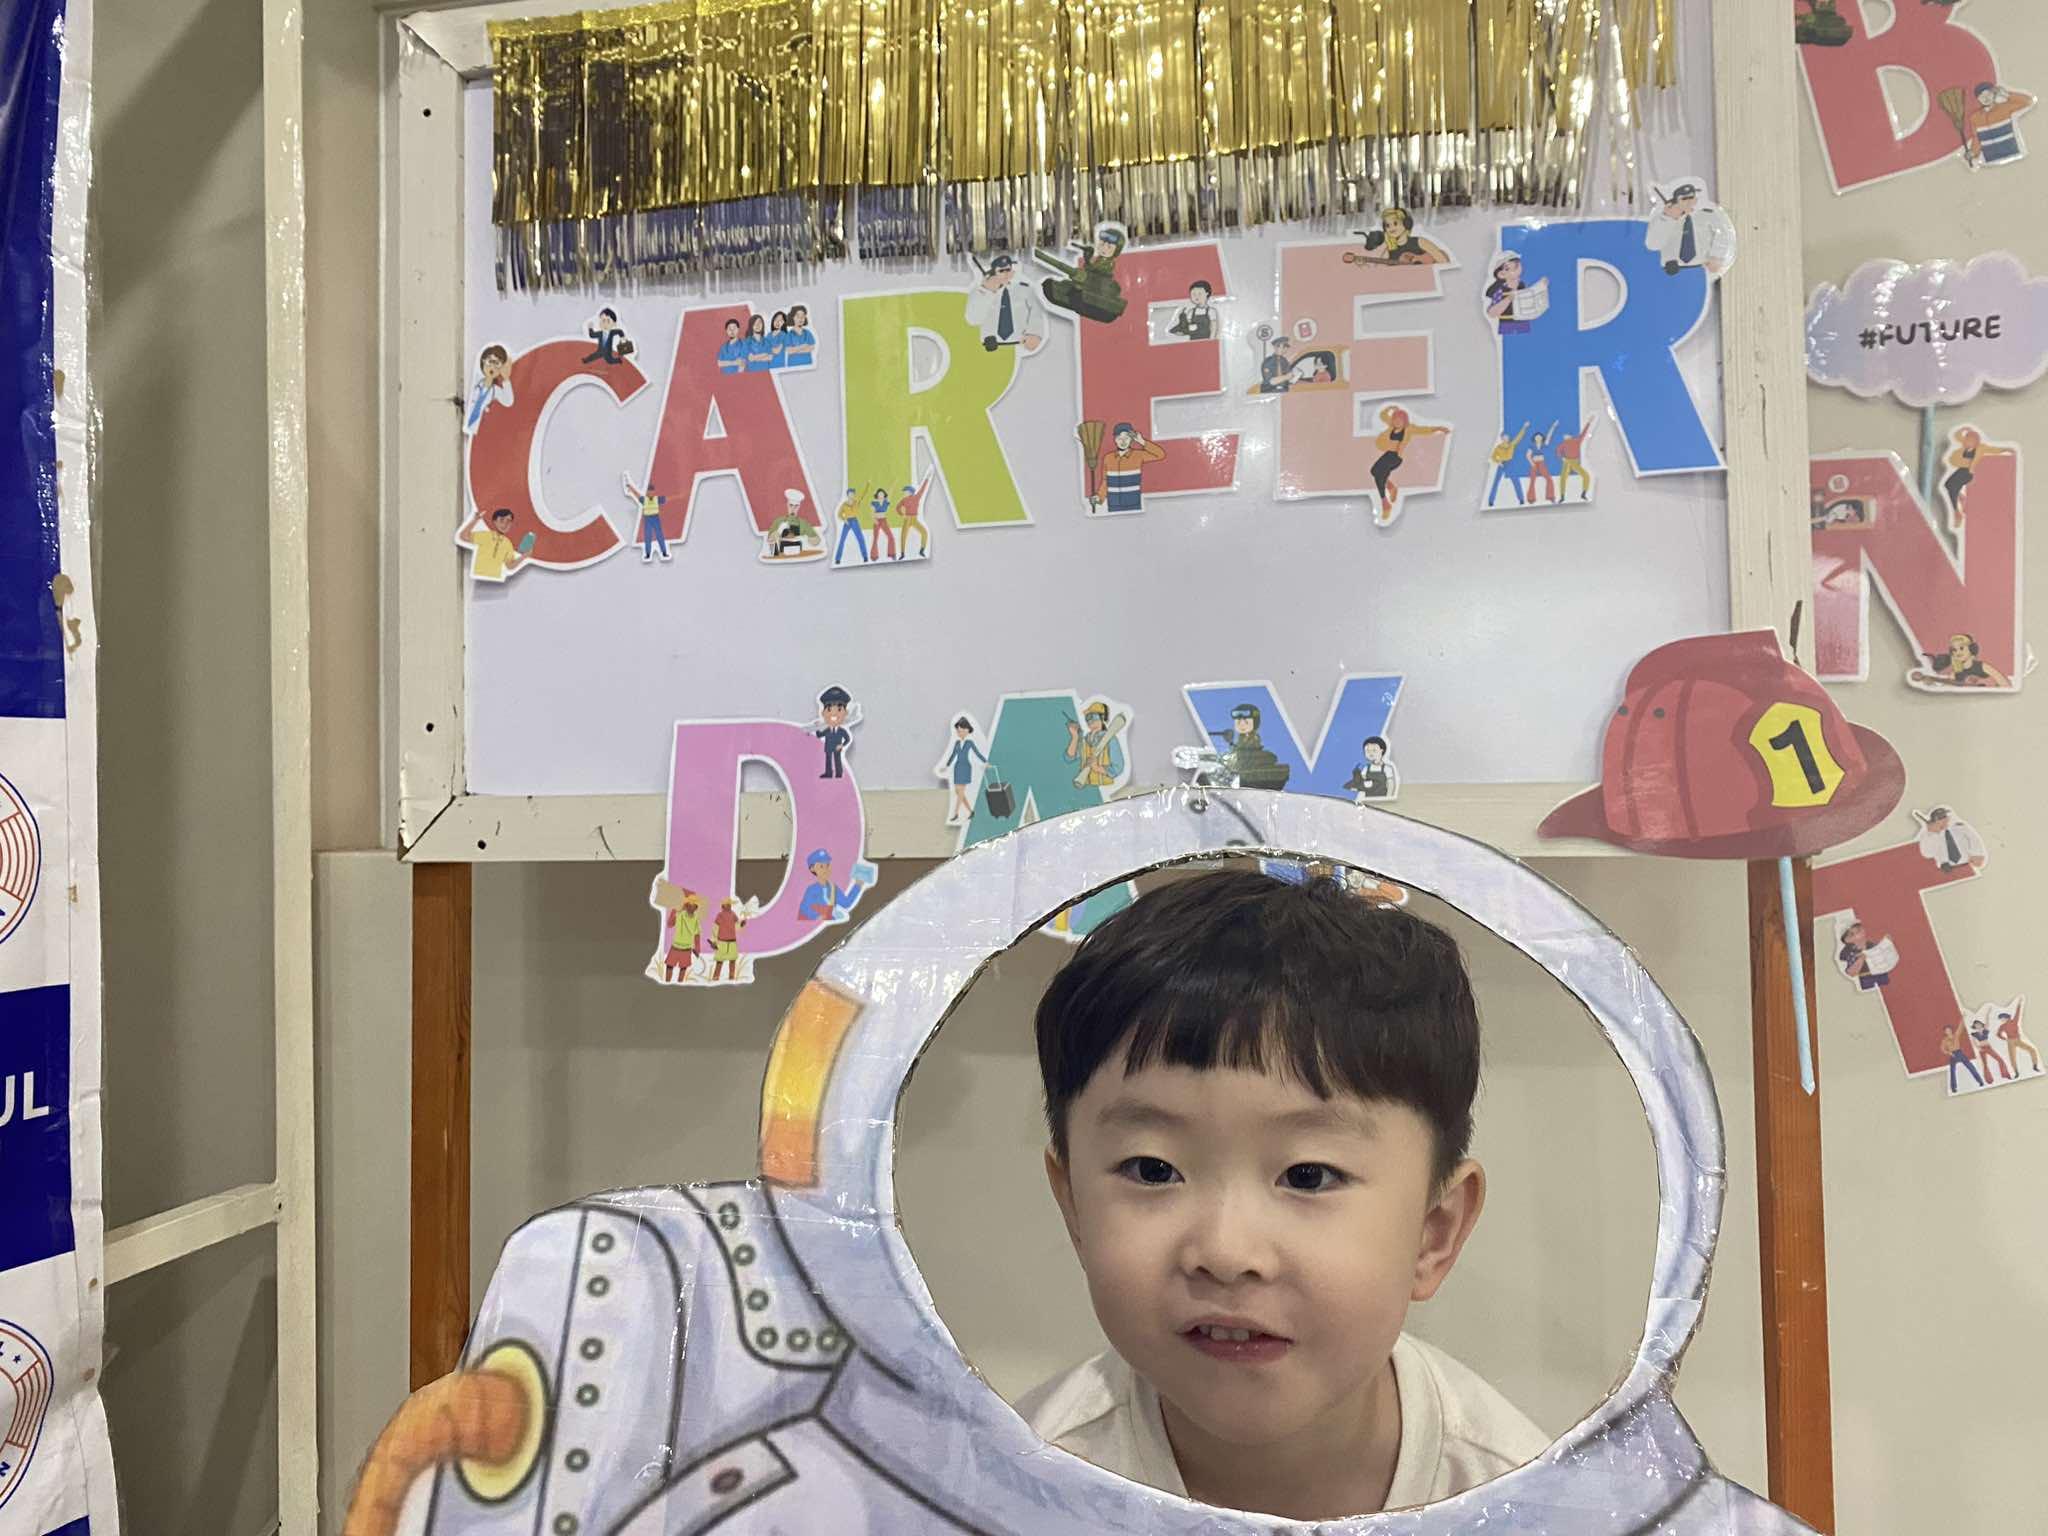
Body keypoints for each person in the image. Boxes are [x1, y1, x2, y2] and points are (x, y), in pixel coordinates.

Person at [1019, 868, 1547, 1520]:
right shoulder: (1005, 1491)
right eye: (1153, 1170)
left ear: (1432, 1233)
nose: (1225, 1253)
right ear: (1074, 1208)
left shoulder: (1532, 1505)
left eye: (1308, 1176)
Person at [1036, 222, 1128, 324]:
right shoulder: (1100, 259)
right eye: (1102, 244)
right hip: (1090, 284)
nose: (1104, 247)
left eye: (1109, 246)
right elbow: (1091, 270)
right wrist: (1087, 259)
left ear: (1116, 250)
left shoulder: (1108, 263)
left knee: (1078, 292)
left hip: (1099, 287)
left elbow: (1099, 272)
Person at [1369, 407, 1447, 525]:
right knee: (1374, 471)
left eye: (1400, 420)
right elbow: (1382, 415)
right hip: (1387, 455)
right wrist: (1391, 408)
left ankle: (1385, 503)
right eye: (1395, 419)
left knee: (1380, 475)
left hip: (1395, 458)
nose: (1397, 422)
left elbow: (1424, 430)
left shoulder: (1409, 429)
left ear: (1404, 420)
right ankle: (1391, 487)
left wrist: (1439, 428)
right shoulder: (1391, 426)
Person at [1643, 182, 1735, 278]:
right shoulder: (1664, 219)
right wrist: (1668, 219)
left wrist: (1716, 256)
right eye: (1684, 199)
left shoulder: (1707, 215)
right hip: (1672, 270)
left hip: (1702, 268)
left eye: (1691, 197)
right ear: (1676, 201)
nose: (1688, 201)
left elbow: (1722, 235)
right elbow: (1653, 245)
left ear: (1695, 199)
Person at [965, 256, 1046, 353]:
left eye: (1008, 270)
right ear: (993, 273)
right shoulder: (980, 292)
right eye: (1001, 271)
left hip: (1020, 343)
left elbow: (1036, 313)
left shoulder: (1025, 289)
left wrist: (1034, 333)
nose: (1005, 274)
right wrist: (987, 291)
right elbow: (973, 320)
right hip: (991, 345)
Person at [1939, 427, 2011, 525]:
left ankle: (1957, 513)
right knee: (1947, 485)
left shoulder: (1981, 448)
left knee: (1952, 487)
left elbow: (1993, 450)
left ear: (1975, 442)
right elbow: (1956, 436)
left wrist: (2005, 449)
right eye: (1966, 440)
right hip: (1961, 470)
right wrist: (1964, 428)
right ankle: (1960, 496)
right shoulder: (1964, 445)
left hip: (1968, 473)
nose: (1967, 442)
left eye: (1970, 441)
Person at [1099, 423, 1166, 515]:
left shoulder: (1138, 455)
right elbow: (1105, 481)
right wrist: (1099, 498)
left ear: (1131, 439)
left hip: (1133, 503)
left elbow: (1160, 454)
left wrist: (1142, 441)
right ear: (1115, 439)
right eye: (1119, 438)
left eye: (1126, 438)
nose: (1123, 441)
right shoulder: (1108, 458)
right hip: (1113, 504)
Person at [1963, 81, 2033, 166]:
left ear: (1994, 94)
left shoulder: (2004, 108)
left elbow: (2027, 101)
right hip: (1990, 159)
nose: (1986, 98)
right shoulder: (1975, 117)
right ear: (1977, 99)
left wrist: (2007, 94)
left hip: (2012, 154)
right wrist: (1973, 153)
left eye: (1988, 94)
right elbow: (1977, 139)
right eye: (1981, 96)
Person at [797, 849, 875, 923]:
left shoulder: (833, 887)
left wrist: (858, 885)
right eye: (821, 866)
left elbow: (846, 903)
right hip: (819, 922)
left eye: (828, 865)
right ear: (812, 869)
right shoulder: (812, 889)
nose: (825, 869)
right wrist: (817, 917)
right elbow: (805, 909)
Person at [1910, 632, 2010, 690]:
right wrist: (1931, 683)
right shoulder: (1955, 673)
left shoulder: (1983, 666)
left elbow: (2005, 684)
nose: (1957, 652)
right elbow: (1945, 689)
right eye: (1954, 650)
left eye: (1961, 648)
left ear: (1971, 649)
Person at [1355, 207, 1449, 266]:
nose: (1391, 228)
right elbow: (1378, 271)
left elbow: (1444, 260)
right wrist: (1363, 264)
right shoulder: (1389, 249)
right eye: (1387, 225)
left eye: (1395, 223)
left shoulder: (1419, 242)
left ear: (1406, 224)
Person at [1066, 701, 1125, 789]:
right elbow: (1069, 758)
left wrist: (1097, 768)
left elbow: (1118, 768)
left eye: (1093, 717)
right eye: (1087, 719)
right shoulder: (1085, 740)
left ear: (1102, 718)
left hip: (1105, 788)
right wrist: (1075, 736)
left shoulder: (1111, 739)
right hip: (1086, 787)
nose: (1090, 722)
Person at [939, 717, 987, 825]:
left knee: (960, 792)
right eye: (957, 730)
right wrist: (946, 766)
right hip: (957, 768)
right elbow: (953, 755)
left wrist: (985, 762)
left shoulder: (969, 743)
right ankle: (970, 811)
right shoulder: (956, 743)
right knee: (958, 791)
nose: (958, 732)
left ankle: (956, 813)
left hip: (965, 768)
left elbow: (977, 753)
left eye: (960, 730)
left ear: (966, 730)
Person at [460, 505, 526, 582]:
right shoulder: (486, 536)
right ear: (494, 521)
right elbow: (464, 536)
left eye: (508, 521)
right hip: (478, 577)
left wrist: (524, 556)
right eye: (501, 520)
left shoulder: (508, 544)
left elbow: (510, 566)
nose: (505, 524)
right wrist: (475, 520)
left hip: (494, 580)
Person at [1916, 806, 1987, 872]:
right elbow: (1928, 853)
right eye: (1940, 819)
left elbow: (1973, 839)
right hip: (1946, 870)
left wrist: (1977, 853)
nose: (1944, 820)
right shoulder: (1930, 835)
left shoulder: (1959, 827)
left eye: (1944, 817)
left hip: (1967, 864)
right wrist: (1932, 833)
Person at [463, 344, 513, 435]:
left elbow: (508, 401)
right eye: (490, 361)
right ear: (483, 361)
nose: (492, 367)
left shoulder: (495, 390)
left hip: (475, 431)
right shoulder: (475, 381)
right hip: (463, 422)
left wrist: (506, 378)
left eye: (497, 363)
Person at [622, 475, 671, 564]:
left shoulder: (657, 499)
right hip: (648, 519)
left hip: (656, 518)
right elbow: (637, 495)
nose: (651, 493)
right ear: (647, 492)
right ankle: (648, 554)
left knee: (660, 536)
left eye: (652, 491)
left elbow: (668, 497)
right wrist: (630, 488)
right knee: (648, 537)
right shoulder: (645, 500)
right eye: (649, 491)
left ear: (654, 492)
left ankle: (664, 553)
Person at [815, 686, 860, 779]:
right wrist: (816, 728)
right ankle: (828, 773)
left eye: (839, 709)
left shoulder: (841, 731)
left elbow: (848, 739)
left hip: (837, 748)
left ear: (845, 713)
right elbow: (820, 735)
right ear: (823, 713)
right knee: (828, 760)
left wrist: (842, 745)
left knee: (837, 760)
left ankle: (839, 774)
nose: (833, 714)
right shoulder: (827, 730)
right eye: (829, 709)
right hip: (828, 748)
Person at [1836, 921, 1891, 991]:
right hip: (1867, 978)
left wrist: (1886, 943)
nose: (1858, 934)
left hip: (1881, 974)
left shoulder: (1871, 944)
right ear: (1847, 940)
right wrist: (1861, 958)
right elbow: (1851, 972)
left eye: (1859, 930)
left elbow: (1881, 952)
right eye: (1852, 934)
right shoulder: (1850, 952)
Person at [1485, 256, 1532, 336]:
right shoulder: (1500, 290)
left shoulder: (1522, 285)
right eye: (1506, 268)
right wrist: (1508, 299)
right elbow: (1491, 313)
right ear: (1501, 274)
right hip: (1508, 326)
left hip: (1523, 324)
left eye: (1516, 263)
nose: (1514, 266)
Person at [1486, 424, 1529, 507]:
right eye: (1504, 436)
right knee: (1496, 482)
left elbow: (1519, 437)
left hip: (1510, 464)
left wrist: (1524, 427)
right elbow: (1493, 456)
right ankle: (1491, 501)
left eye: (1507, 436)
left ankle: (1521, 499)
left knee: (1516, 481)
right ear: (1501, 438)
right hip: (1502, 464)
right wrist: (1498, 462)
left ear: (1509, 438)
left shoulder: (1511, 445)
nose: (1506, 438)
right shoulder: (1498, 447)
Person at [1996, 1001, 2042, 1076]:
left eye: (2002, 1018)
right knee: (2012, 1057)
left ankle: (2035, 1066)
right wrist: (2005, 1039)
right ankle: (2016, 1072)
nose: (2001, 1020)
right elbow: (1998, 1034)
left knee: (2032, 1050)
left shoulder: (2014, 1021)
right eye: (2000, 1019)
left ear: (2006, 1018)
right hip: (2010, 1041)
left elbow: (2018, 1013)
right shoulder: (2002, 1026)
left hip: (2018, 1040)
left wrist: (2019, 1004)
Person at [1345, 735, 1397, 801]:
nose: (1370, 753)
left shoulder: (1387, 768)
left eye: (1374, 750)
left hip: (1382, 799)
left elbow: (1390, 784)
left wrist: (1388, 797)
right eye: (1367, 751)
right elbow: (1361, 782)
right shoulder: (1366, 768)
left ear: (1382, 750)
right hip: (1368, 799)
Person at [708, 898, 748, 983]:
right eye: (727, 905)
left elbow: (736, 926)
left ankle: (731, 977)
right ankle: (715, 977)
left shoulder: (733, 914)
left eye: (730, 905)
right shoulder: (720, 915)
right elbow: (715, 928)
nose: (729, 906)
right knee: (719, 961)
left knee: (732, 960)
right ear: (723, 906)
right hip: (722, 942)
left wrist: (741, 924)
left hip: (732, 942)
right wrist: (714, 941)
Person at [1557, 418, 1596, 501]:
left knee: (1586, 476)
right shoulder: (1563, 443)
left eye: (1566, 435)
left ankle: (1584, 493)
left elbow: (1583, 433)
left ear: (1570, 435)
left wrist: (1589, 422)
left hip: (1575, 462)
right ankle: (1562, 496)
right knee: (1563, 478)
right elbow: (1558, 451)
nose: (1564, 436)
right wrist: (1562, 457)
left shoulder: (1576, 441)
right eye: (1564, 435)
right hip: (1567, 462)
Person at [1942, 1016, 1984, 1093]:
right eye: (1947, 1030)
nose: (1948, 1031)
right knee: (1952, 1070)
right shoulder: (1944, 1040)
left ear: (1951, 1030)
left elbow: (1960, 1027)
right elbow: (1943, 1049)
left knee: (1970, 1066)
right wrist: (1949, 1053)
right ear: (1945, 1032)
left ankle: (1980, 1081)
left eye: (1949, 1030)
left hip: (1959, 1052)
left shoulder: (1956, 1035)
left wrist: (1963, 1018)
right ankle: (1953, 1088)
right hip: (1952, 1055)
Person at [1969, 1013, 2014, 1083]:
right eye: (1976, 1025)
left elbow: (1987, 1021)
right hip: (1981, 1049)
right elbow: (1973, 1042)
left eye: (1979, 1024)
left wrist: (1988, 1013)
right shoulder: (1974, 1034)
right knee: (1985, 1064)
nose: (1978, 1025)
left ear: (1981, 1024)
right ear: (1974, 1026)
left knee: (2000, 1060)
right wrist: (1978, 1048)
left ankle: (2005, 1075)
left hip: (1988, 1047)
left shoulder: (1985, 1030)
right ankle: (1989, 1080)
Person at [894, 476, 932, 559]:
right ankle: (902, 554)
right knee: (903, 536)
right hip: (907, 519)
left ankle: (922, 550)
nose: (904, 493)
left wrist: (926, 479)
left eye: (905, 491)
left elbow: (922, 490)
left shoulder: (916, 497)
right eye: (904, 491)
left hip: (914, 519)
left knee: (924, 532)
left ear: (910, 492)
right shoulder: (903, 500)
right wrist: (902, 514)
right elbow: (897, 508)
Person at [1524, 422, 1560, 503]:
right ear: (1534, 438)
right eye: (1537, 437)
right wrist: (1532, 464)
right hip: (1534, 464)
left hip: (1542, 464)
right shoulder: (1532, 446)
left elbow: (1549, 436)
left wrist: (1553, 426)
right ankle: (1531, 498)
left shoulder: (1544, 444)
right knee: (1532, 480)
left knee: (1549, 479)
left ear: (1542, 438)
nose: (1538, 438)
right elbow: (1528, 455)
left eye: (1540, 437)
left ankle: (1550, 496)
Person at [833, 486, 868, 565]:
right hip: (847, 522)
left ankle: (865, 556)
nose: (851, 495)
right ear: (847, 495)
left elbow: (863, 494)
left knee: (860, 538)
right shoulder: (844, 504)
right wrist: (844, 519)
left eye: (853, 494)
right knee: (842, 539)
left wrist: (868, 484)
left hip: (855, 521)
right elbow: (839, 514)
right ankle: (838, 559)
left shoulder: (856, 502)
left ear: (854, 495)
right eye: (850, 493)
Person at [866, 487, 899, 560]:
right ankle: (874, 556)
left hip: (884, 520)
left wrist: (893, 484)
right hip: (876, 521)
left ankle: (892, 554)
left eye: (882, 494)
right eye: (879, 494)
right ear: (877, 495)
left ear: (884, 495)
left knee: (891, 537)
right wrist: (874, 520)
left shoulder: (886, 502)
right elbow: (871, 513)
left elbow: (890, 492)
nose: (881, 495)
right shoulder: (874, 502)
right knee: (875, 538)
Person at [782, 303, 818, 368]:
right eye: (798, 316)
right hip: (793, 366)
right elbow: (789, 351)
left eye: (803, 316)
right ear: (792, 318)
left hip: (808, 365)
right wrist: (803, 346)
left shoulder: (808, 333)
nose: (801, 319)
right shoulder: (788, 335)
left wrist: (795, 350)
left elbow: (811, 348)